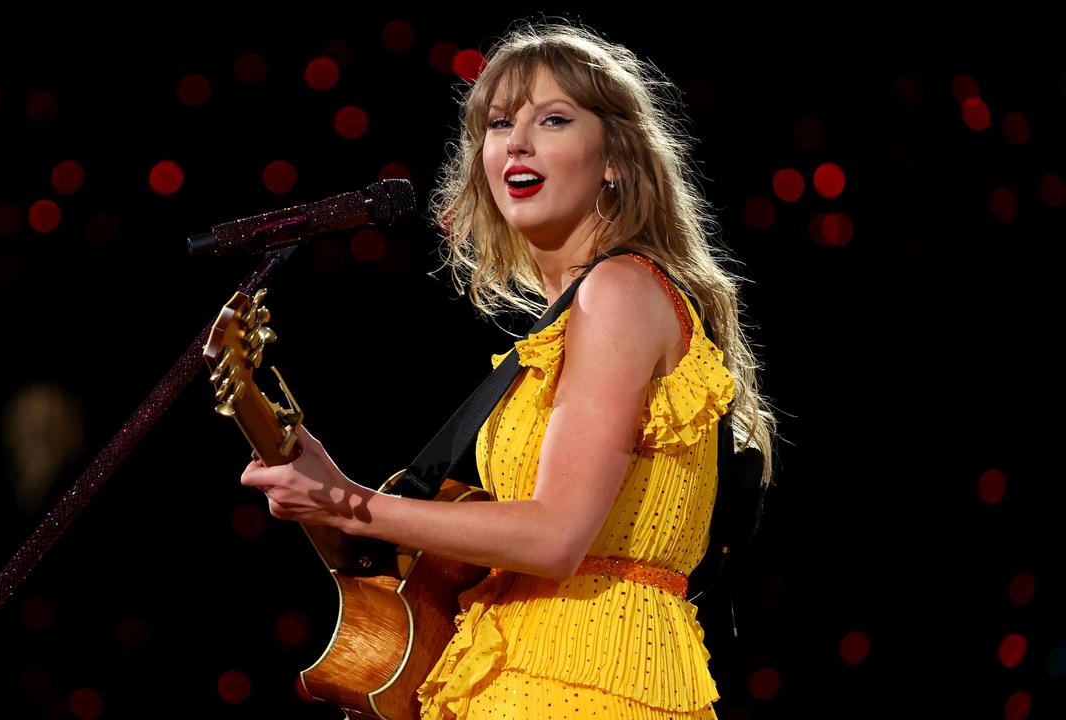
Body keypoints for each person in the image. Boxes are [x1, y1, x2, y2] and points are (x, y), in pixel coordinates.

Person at [240, 20, 776, 720]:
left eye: (553, 119)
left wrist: (352, 505)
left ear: (614, 157)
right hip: (516, 669)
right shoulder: (567, 328)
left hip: (585, 679)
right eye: (498, 124)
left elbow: (555, 536)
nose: (516, 141)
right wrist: (338, 492)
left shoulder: (620, 292)